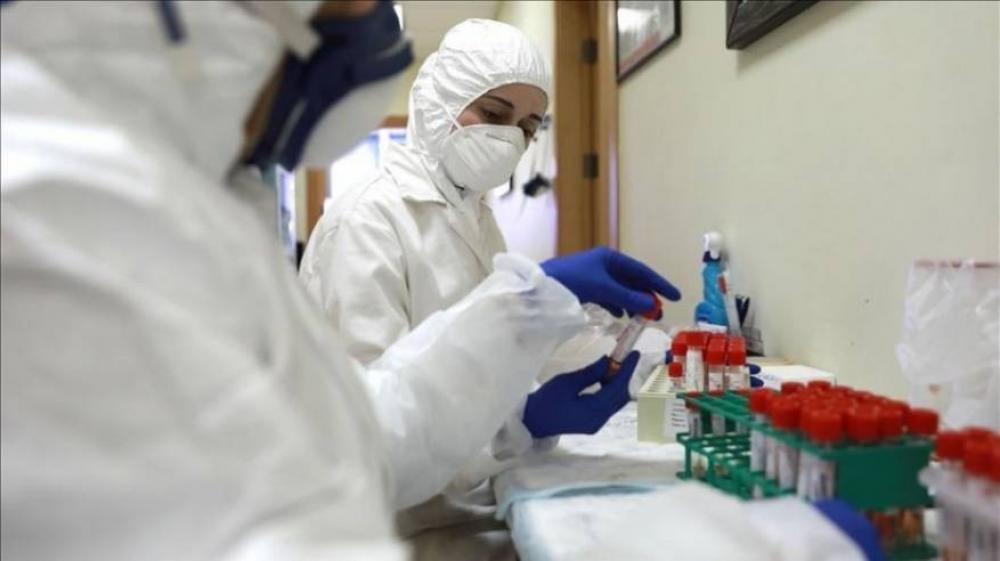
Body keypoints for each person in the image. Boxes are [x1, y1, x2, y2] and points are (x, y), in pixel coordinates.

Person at [0, 1, 677, 559]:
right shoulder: (58, 209)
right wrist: (517, 387)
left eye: (527, 127)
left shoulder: (189, 196)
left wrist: (525, 348)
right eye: (496, 115)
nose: (372, 26)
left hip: (452, 504)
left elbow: (348, 425)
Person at [297, 19, 681, 558]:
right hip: (405, 534)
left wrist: (656, 355)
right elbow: (371, 440)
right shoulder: (366, 222)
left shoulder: (472, 216)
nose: (511, 139)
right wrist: (519, 424)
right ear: (439, 101)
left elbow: (503, 347)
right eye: (496, 114)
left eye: (528, 127)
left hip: (474, 506)